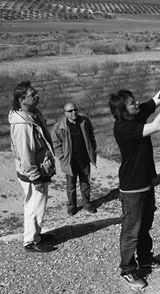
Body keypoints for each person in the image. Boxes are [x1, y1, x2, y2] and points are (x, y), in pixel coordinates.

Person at [108, 85, 160, 290]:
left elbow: (158, 97)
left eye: (135, 100)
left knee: (145, 226)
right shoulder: (123, 128)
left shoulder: (136, 115)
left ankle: (146, 259)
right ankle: (128, 270)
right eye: (132, 103)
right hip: (133, 188)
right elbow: (157, 125)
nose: (137, 103)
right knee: (132, 230)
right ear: (123, 111)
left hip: (146, 183)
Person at [8, 81, 57, 253]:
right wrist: (34, 176)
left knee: (36, 204)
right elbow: (25, 154)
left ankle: (36, 234)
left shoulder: (32, 114)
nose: (37, 95)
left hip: (39, 168)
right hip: (34, 172)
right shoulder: (23, 125)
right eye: (32, 93)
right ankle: (31, 241)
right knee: (35, 206)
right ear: (22, 99)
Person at [51, 102, 97, 216]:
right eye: (70, 111)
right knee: (71, 185)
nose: (73, 112)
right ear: (65, 113)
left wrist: (93, 148)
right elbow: (56, 143)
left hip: (84, 159)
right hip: (70, 161)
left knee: (85, 183)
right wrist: (61, 157)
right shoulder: (59, 126)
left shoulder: (84, 121)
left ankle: (87, 203)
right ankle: (72, 206)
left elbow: (91, 136)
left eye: (75, 110)